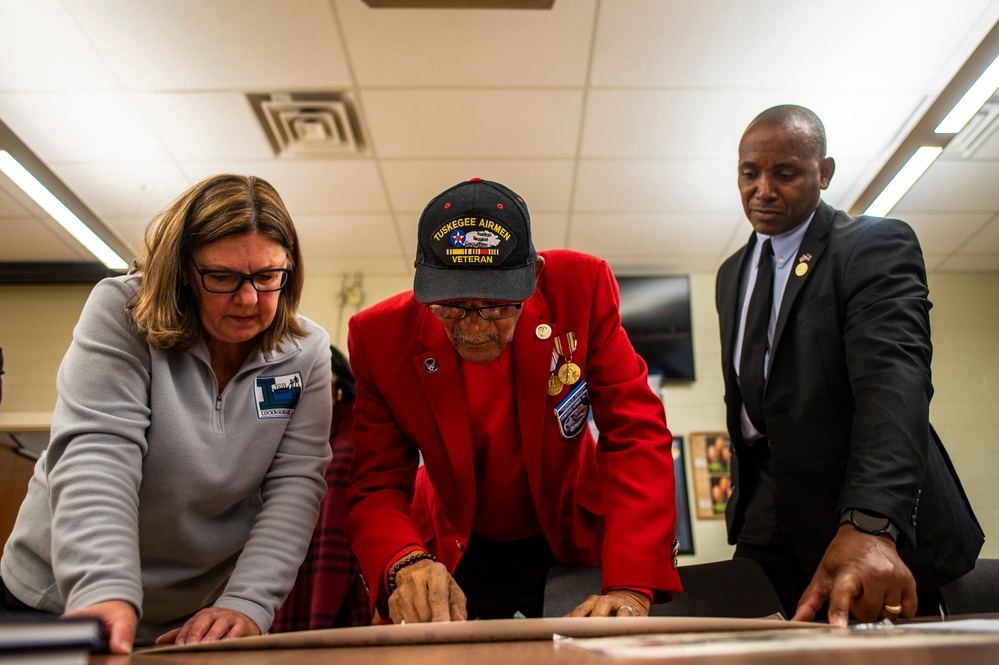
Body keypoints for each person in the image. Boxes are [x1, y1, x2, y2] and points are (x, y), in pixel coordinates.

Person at [0, 174, 333, 653]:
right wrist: (103, 588)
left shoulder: (306, 351)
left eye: (267, 277)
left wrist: (247, 602)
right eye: (222, 277)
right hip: (58, 597)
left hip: (187, 621)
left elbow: (296, 486)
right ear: (182, 271)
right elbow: (98, 454)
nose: (247, 298)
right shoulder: (122, 313)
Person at [344, 177, 681, 624]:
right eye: (451, 307)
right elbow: (377, 482)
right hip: (454, 547)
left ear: (534, 276)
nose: (475, 329)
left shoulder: (581, 289)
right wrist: (404, 562)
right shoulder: (378, 338)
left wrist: (630, 584)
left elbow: (635, 434)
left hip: (569, 530)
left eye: (498, 307)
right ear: (423, 281)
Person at [715, 104, 983, 625]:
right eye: (750, 173)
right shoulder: (732, 273)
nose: (763, 189)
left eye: (785, 173)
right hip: (770, 516)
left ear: (825, 172)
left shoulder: (871, 245)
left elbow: (894, 384)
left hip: (863, 507)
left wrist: (871, 521)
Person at [271, 345, 371, 631]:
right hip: (288, 566)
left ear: (336, 377)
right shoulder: (285, 431)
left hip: (345, 574)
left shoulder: (358, 428)